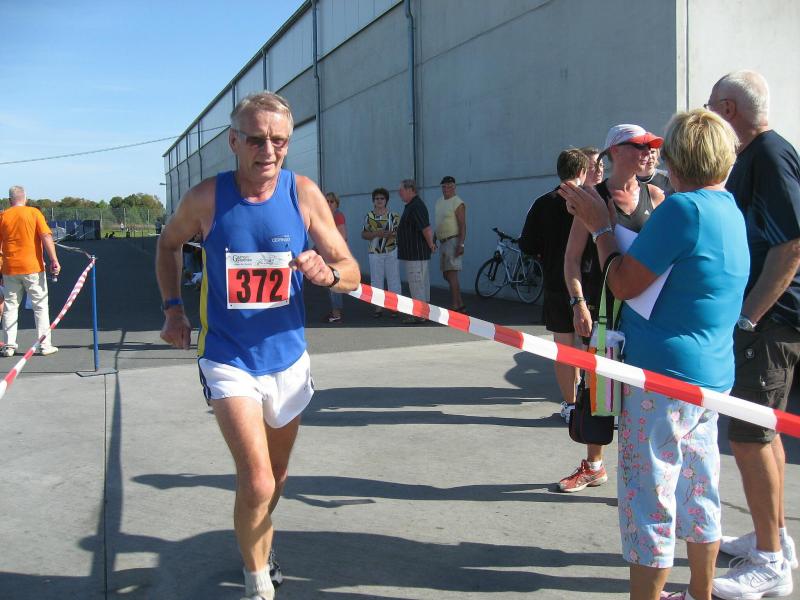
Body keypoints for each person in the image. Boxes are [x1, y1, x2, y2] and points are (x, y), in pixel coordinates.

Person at [156, 91, 359, 600]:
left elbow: (351, 270)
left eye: (279, 140)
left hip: (287, 358)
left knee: (278, 474)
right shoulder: (206, 199)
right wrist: (174, 308)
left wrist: (328, 273)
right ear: (233, 141)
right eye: (256, 139)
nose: (268, 150)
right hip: (228, 358)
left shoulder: (303, 194)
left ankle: (261, 544)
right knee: (258, 480)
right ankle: (257, 583)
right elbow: (168, 244)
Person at [561, 108, 749, 600]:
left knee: (649, 498)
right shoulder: (728, 208)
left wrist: (602, 228)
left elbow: (622, 283)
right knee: (700, 489)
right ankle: (700, 593)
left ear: (678, 160)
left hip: (661, 378)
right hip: (711, 375)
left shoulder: (682, 209)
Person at [706, 70, 800, 600]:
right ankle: (775, 539)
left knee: (747, 437)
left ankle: (769, 563)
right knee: (764, 433)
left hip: (771, 323)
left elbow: (792, 244)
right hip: (772, 322)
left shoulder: (766, 155)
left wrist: (748, 318)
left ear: (728, 109)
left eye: (710, 106)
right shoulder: (761, 155)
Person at [559, 124, 665, 492]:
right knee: (599, 395)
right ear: (615, 151)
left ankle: (643, 476)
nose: (647, 153)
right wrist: (578, 304)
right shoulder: (593, 199)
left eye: (650, 147)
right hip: (604, 313)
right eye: (639, 146)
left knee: (643, 397)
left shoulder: (656, 196)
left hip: (645, 314)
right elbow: (571, 260)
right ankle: (594, 466)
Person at [519, 149, 588, 432]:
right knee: (590, 346)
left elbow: (526, 244)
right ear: (582, 171)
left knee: (564, 346)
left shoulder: (542, 203)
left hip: (556, 284)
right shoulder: (590, 201)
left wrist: (545, 254)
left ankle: (570, 405)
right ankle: (593, 403)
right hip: (587, 284)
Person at [0, 186, 60, 357]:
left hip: (10, 268)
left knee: (10, 307)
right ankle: (44, 345)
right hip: (33, 267)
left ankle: (9, 346)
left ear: (10, 200)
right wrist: (54, 260)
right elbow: (46, 236)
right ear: (25, 199)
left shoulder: (3, 216)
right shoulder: (34, 213)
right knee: (40, 306)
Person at [396, 179, 435, 324]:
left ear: (410, 189)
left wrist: (431, 244)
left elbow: (426, 228)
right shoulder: (412, 205)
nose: (399, 193)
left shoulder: (416, 206)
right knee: (420, 283)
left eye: (401, 190)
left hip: (416, 254)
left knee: (417, 283)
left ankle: (420, 314)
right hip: (414, 254)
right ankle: (425, 313)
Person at [361, 187, 401, 317]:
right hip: (375, 252)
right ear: (373, 200)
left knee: (393, 279)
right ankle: (378, 307)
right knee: (376, 280)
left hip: (391, 250)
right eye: (377, 198)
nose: (379, 200)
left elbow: (400, 233)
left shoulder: (394, 216)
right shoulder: (369, 216)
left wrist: (390, 234)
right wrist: (376, 234)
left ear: (386, 200)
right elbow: (364, 234)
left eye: (382, 198)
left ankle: (394, 307)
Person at [434, 176, 467, 312]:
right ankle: (460, 302)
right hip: (442, 242)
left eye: (449, 186)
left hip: (453, 241)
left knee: (452, 274)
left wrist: (461, 244)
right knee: (446, 275)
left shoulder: (458, 202)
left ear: (454, 187)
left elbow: (462, 225)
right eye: (444, 186)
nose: (446, 189)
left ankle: (455, 306)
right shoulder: (439, 201)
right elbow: (439, 222)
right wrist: (434, 238)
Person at [324, 192, 347, 323]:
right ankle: (334, 311)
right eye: (326, 201)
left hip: (336, 255)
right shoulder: (327, 216)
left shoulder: (338, 216)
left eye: (331, 201)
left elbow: (343, 236)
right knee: (331, 284)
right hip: (329, 254)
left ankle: (336, 314)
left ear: (337, 203)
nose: (329, 204)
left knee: (334, 285)